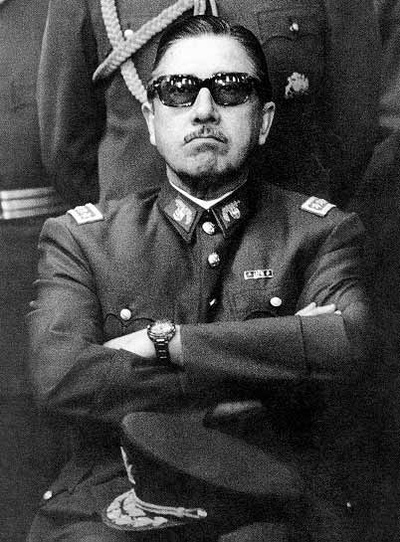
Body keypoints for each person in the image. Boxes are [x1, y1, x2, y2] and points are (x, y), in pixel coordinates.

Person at [28, 15, 374, 542]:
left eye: (232, 90)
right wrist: (275, 357)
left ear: (264, 120)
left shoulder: (321, 233)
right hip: (116, 489)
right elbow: (58, 377)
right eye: (178, 90)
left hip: (271, 490)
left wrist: (163, 343)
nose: (205, 110)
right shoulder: (82, 239)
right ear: (151, 120)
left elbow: (347, 343)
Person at [37, 0, 380, 207]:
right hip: (139, 258)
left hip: (283, 255)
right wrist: (125, 229)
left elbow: (351, 131)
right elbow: (68, 147)